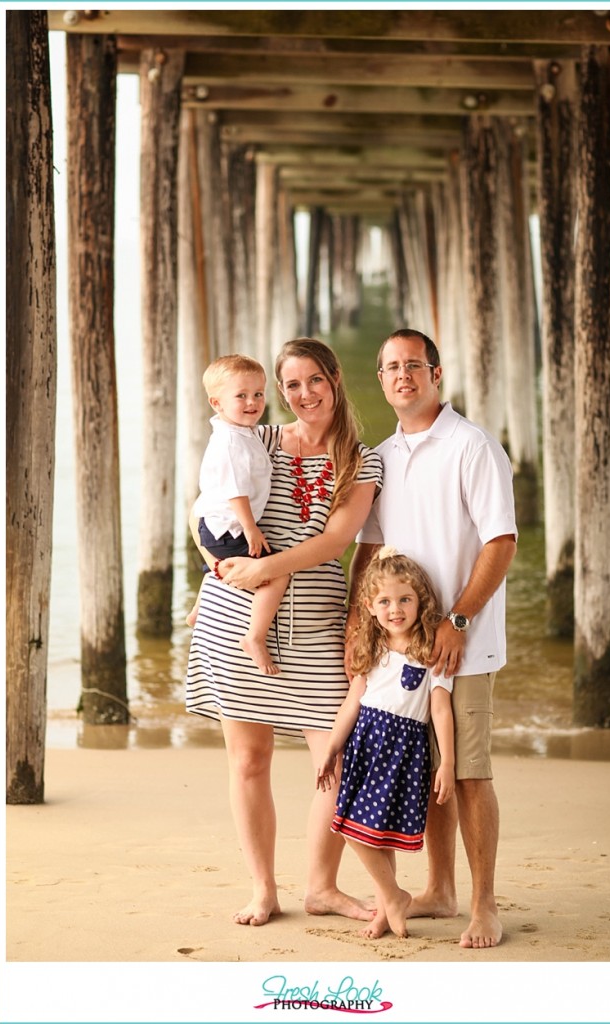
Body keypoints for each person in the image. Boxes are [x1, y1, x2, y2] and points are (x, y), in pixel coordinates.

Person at [186, 338, 383, 927]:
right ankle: (263, 889)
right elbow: (206, 509)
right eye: (291, 385)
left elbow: (336, 543)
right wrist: (214, 565)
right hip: (237, 617)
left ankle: (322, 886)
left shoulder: (361, 458)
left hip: (320, 622)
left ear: (335, 379)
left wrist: (266, 568)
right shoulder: (254, 437)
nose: (303, 395)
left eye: (314, 380)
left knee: (339, 760)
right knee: (249, 761)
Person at [348, 328, 517, 950]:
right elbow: (370, 547)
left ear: (435, 374)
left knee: (467, 772)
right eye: (390, 366)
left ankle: (484, 905)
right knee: (429, 771)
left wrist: (459, 619)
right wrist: (354, 624)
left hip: (462, 641)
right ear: (382, 377)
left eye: (413, 365)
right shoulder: (382, 456)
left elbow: (501, 541)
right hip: (400, 646)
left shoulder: (472, 446)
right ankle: (440, 889)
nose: (401, 376)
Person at [317, 547, 455, 941]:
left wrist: (446, 763)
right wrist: (331, 747)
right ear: (370, 606)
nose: (395, 609)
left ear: (420, 602)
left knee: (366, 829)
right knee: (357, 827)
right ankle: (389, 902)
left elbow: (441, 711)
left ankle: (392, 897)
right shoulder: (372, 647)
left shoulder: (430, 652)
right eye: (385, 601)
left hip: (401, 752)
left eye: (405, 599)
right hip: (365, 745)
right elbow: (352, 701)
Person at [186, 354, 289, 676]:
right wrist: (251, 529)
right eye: (241, 396)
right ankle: (254, 637)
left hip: (218, 527)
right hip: (230, 528)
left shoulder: (243, 433)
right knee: (276, 572)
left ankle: (198, 610)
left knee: (223, 566)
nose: (252, 402)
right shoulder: (230, 441)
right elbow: (235, 490)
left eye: (258, 394)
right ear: (217, 403)